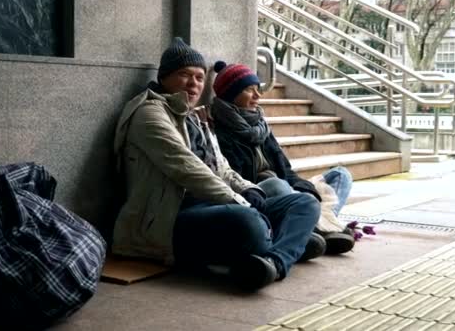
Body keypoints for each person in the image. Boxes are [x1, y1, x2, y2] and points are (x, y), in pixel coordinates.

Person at [112, 37, 323, 290]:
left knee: (305, 202)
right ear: (164, 77)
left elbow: (220, 166)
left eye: (200, 77)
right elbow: (188, 168)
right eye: (184, 75)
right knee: (248, 222)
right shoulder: (149, 113)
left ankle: (274, 260)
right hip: (170, 219)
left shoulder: (192, 116)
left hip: (215, 205)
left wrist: (248, 188)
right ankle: (288, 245)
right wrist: (239, 200)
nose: (194, 84)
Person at [210, 61, 355, 255]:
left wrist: (304, 187)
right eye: (249, 90)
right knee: (276, 183)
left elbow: (286, 169)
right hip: (260, 194)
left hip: (285, 187)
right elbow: (236, 180)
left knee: (340, 174)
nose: (258, 96)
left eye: (258, 89)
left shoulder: (260, 125)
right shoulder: (220, 131)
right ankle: (321, 228)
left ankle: (316, 228)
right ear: (231, 95)